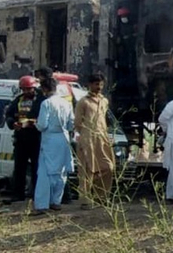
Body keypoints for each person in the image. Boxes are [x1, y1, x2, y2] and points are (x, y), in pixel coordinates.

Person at [31, 78, 74, 216]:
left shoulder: (46, 103)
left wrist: (34, 124)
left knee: (45, 172)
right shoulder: (66, 103)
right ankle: (56, 201)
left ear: (44, 89)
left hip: (50, 139)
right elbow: (71, 124)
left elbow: (42, 124)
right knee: (60, 172)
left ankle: (42, 204)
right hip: (63, 138)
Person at [75, 73, 115, 209]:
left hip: (102, 138)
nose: (99, 87)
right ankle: (85, 200)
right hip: (88, 139)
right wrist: (86, 137)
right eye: (96, 84)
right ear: (90, 85)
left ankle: (102, 197)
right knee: (87, 169)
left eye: (101, 84)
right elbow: (77, 123)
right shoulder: (83, 102)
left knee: (108, 167)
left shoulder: (104, 101)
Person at [4, 76, 46, 202]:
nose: (27, 92)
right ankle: (18, 194)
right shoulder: (18, 100)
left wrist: (34, 123)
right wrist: (13, 124)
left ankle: (36, 195)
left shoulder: (41, 101)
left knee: (36, 168)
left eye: (29, 89)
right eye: (24, 89)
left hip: (36, 139)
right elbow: (9, 116)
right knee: (19, 168)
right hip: (21, 138)